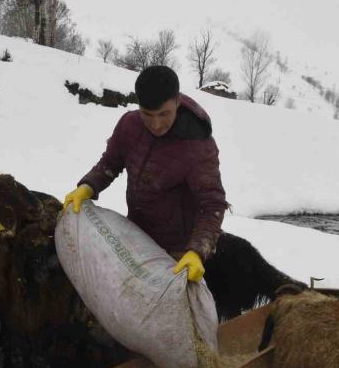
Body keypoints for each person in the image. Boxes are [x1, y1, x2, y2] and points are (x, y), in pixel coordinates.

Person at [63, 66, 227, 282]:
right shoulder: (129, 125)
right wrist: (88, 186)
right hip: (136, 235)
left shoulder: (198, 145)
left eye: (164, 114)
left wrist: (196, 251)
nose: (156, 125)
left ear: (177, 101)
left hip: (178, 252)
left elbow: (213, 204)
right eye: (147, 115)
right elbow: (110, 163)